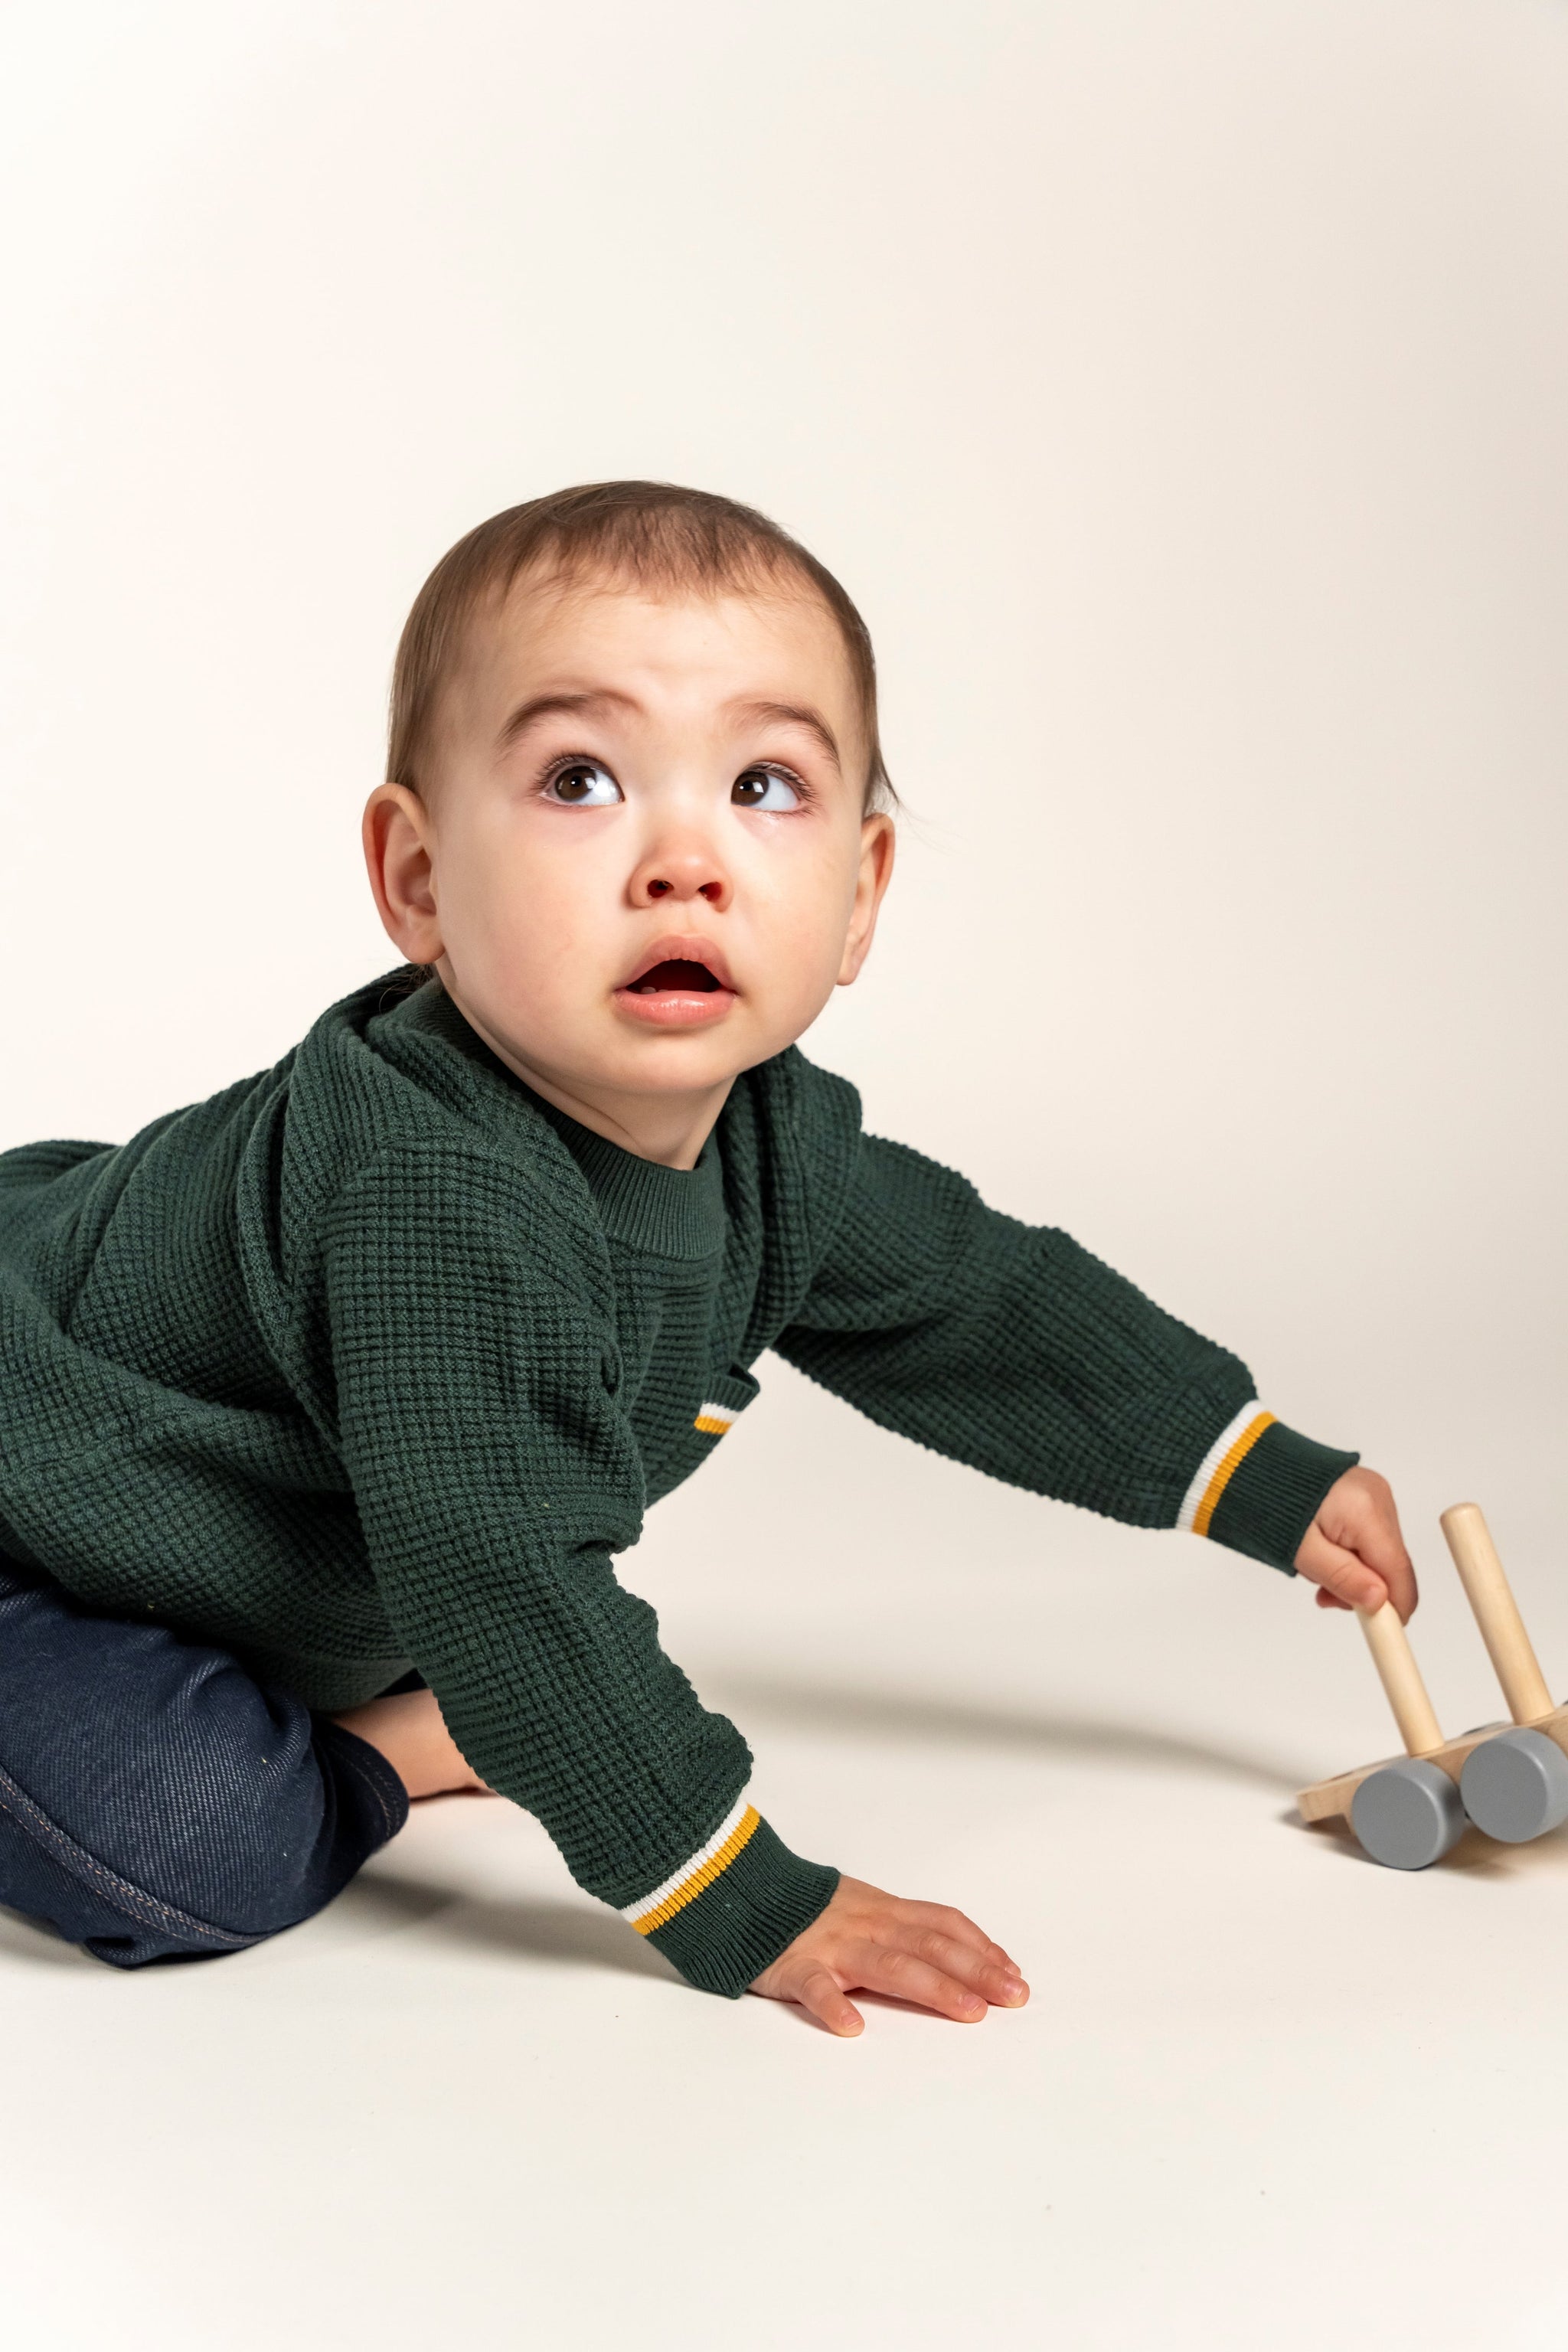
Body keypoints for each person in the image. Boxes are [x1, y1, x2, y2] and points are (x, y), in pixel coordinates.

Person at [0, 482, 1415, 2034]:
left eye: (763, 784)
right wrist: (743, 1892)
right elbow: (502, 1575)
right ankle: (382, 1746)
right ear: (417, 881)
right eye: (583, 778)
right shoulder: (431, 1191)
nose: (684, 858)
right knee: (188, 1839)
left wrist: (1255, 1468)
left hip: (212, 1561)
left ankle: (358, 1702)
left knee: (357, 1689)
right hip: (33, 1502)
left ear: (861, 895)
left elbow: (980, 1306)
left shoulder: (769, 1144)